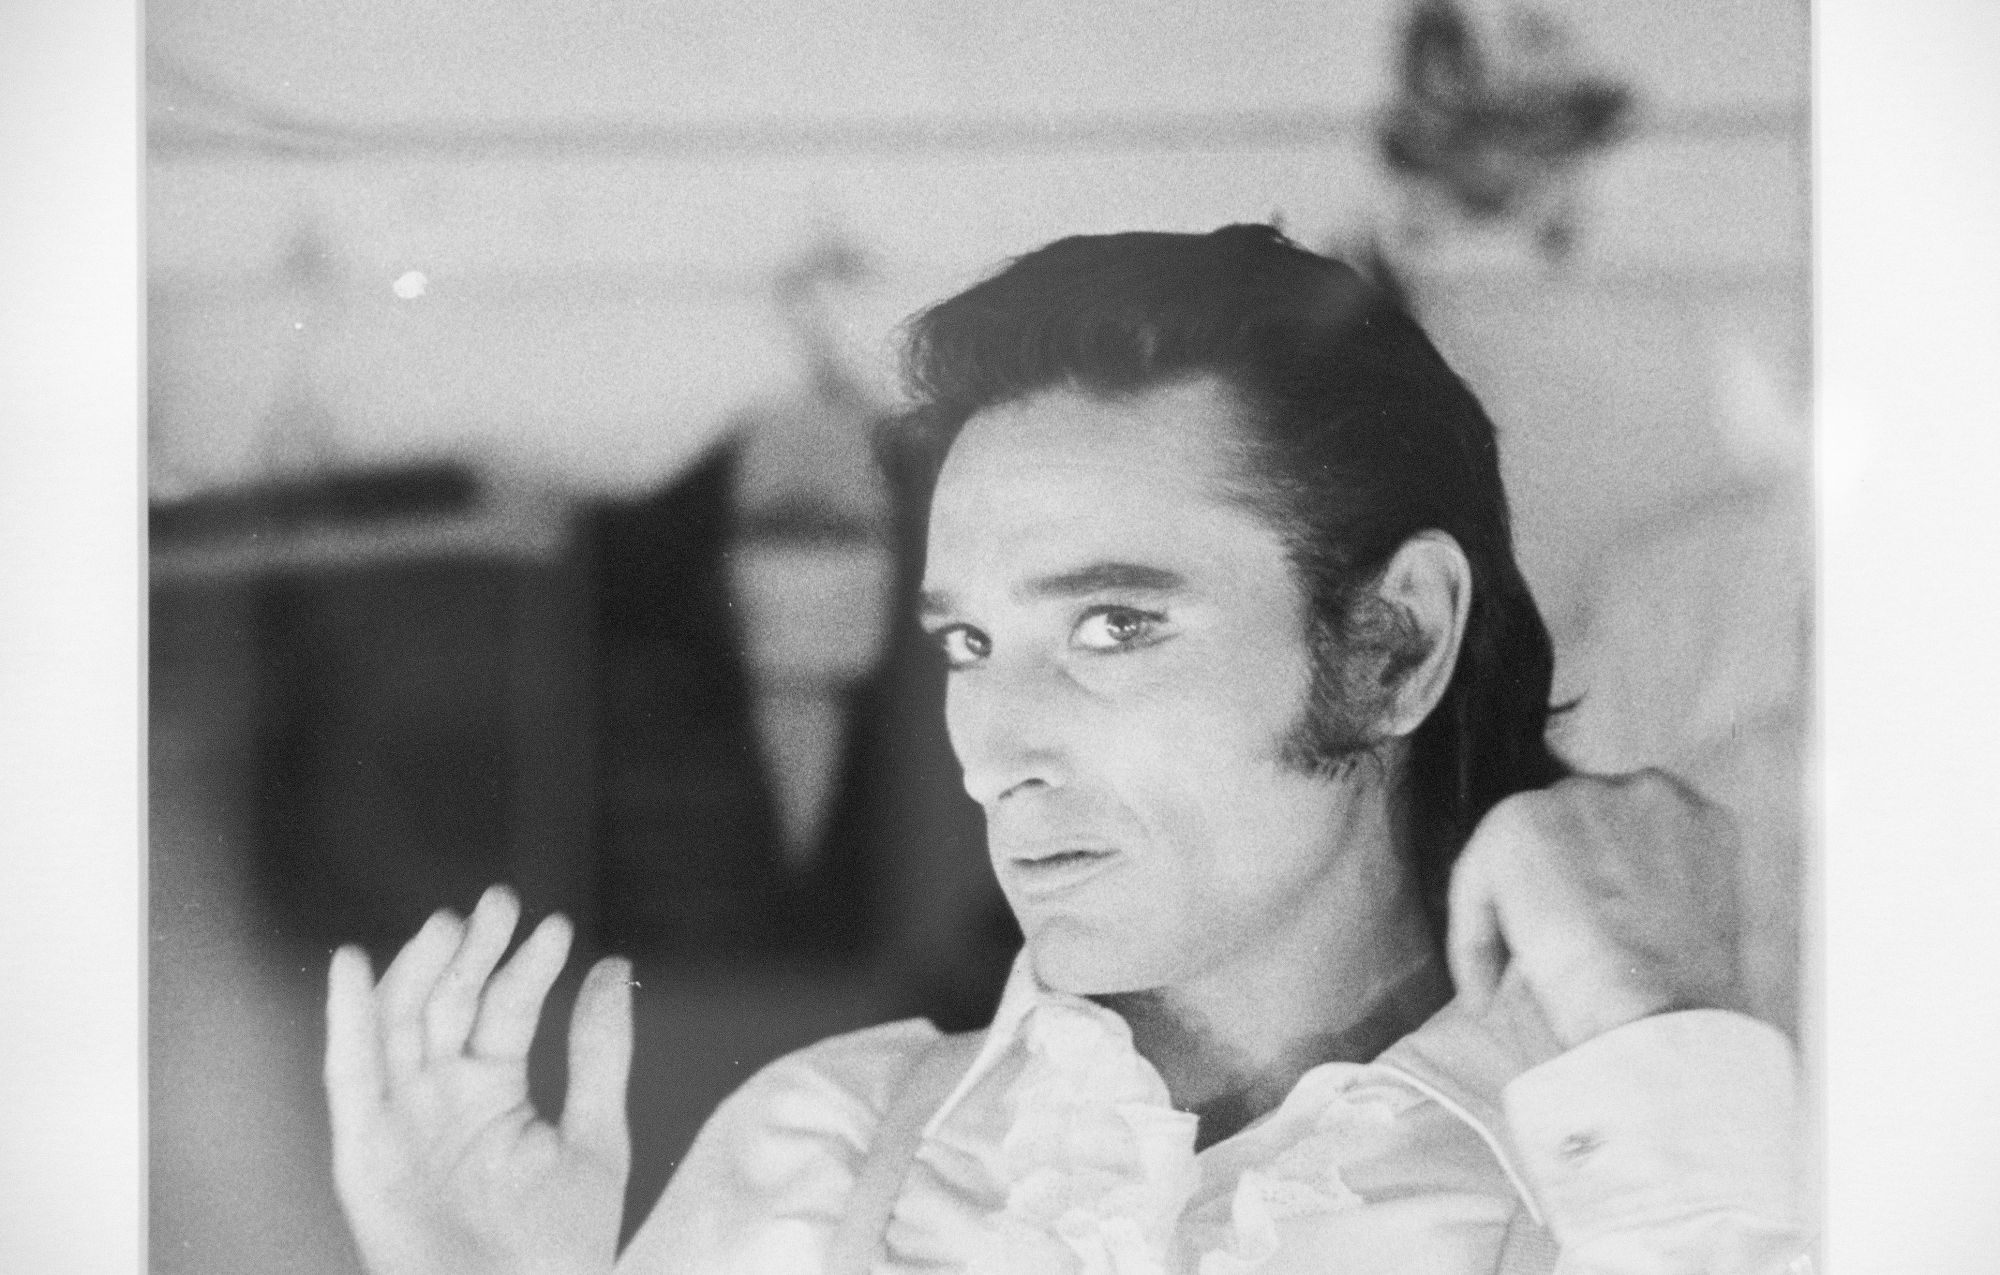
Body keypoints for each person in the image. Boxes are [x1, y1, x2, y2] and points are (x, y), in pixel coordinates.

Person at [323, 225, 1808, 1275]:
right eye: (968, 643)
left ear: (1394, 642)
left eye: (1112, 626)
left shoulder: (1689, 1147)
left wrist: (1654, 1038)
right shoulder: (814, 1156)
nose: (992, 752)